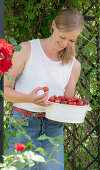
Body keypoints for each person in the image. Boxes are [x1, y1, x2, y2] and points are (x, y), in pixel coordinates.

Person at [4, 8, 84, 170]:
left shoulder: (74, 65)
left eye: (71, 40)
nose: (65, 44)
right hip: (23, 124)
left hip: (53, 129)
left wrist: (73, 112)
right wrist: (29, 98)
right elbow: (4, 90)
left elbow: (67, 104)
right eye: (62, 37)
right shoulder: (27, 50)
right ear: (53, 25)